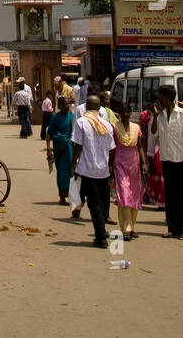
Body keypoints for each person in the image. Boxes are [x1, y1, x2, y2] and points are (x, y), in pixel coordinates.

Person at [152, 83, 183, 239]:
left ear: (167, 97)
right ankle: (173, 228)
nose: (159, 100)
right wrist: (155, 117)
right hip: (167, 159)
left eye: (161, 97)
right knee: (170, 195)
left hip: (182, 159)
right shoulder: (161, 115)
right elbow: (153, 133)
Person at [70, 94, 116, 247]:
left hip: (88, 169)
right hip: (103, 170)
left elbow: (78, 146)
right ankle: (102, 231)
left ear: (86, 107)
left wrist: (73, 165)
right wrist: (110, 166)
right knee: (102, 202)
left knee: (94, 203)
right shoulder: (106, 125)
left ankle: (101, 237)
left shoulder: (82, 122)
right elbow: (112, 149)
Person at [111, 100, 146, 238]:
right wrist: (109, 165)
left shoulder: (136, 128)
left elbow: (140, 147)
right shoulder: (114, 127)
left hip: (134, 164)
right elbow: (111, 148)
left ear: (130, 113)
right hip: (120, 163)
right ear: (119, 114)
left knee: (134, 194)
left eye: (127, 111)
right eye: (123, 112)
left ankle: (132, 225)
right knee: (124, 194)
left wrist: (144, 163)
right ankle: (126, 228)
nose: (125, 114)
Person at [47, 95, 74, 203]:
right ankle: (62, 196)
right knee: (61, 172)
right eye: (65, 104)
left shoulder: (72, 116)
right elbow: (49, 133)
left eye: (68, 104)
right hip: (59, 148)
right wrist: (49, 147)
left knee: (71, 171)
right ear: (60, 105)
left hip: (70, 147)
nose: (67, 106)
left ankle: (72, 195)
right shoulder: (55, 117)